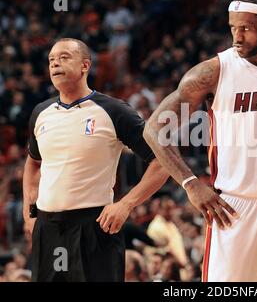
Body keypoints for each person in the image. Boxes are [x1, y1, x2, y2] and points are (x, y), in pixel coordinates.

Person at [144, 0, 257, 281]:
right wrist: (190, 183)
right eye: (233, 28)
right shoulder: (212, 72)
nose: (237, 37)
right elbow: (154, 129)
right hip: (235, 207)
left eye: (246, 28)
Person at [23, 38, 169, 282]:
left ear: (85, 66)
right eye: (51, 60)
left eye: (64, 57)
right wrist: (29, 212)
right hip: (47, 228)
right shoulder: (40, 113)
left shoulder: (114, 111)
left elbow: (163, 161)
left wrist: (126, 204)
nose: (55, 64)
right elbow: (33, 162)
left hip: (95, 226)